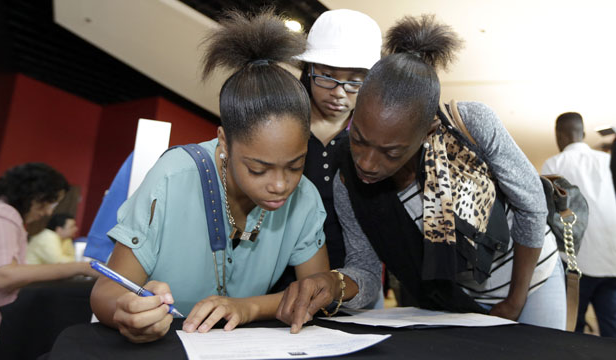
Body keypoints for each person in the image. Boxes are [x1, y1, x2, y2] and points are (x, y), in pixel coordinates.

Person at [277, 14, 565, 333]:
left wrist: (514, 301)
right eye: (358, 140)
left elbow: (532, 207)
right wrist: (334, 284)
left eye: (391, 152)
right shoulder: (349, 182)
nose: (367, 164)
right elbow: (368, 272)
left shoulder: (472, 124)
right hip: (455, 297)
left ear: (426, 131)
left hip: (531, 280)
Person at [90, 10, 329, 343]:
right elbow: (106, 291)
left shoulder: (305, 198)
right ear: (223, 142)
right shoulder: (172, 178)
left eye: (295, 165)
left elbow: (315, 292)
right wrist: (127, 310)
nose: (281, 185)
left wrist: (248, 308)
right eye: (258, 169)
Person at [296, 9, 381, 270]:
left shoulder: (375, 139)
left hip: (356, 277)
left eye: (355, 82)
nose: (338, 93)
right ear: (308, 70)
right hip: (279, 277)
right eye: (326, 76)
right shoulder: (283, 127)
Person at [0, 163, 97, 340]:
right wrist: (81, 267)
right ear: (35, 196)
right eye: (50, 203)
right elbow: (3, 275)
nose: (48, 212)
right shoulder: (4, 215)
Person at [541, 112, 616, 337]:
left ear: (559, 136)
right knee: (612, 331)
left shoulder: (554, 164)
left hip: (574, 264)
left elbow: (546, 215)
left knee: (574, 330)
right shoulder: (607, 160)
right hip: (611, 261)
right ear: (583, 133)